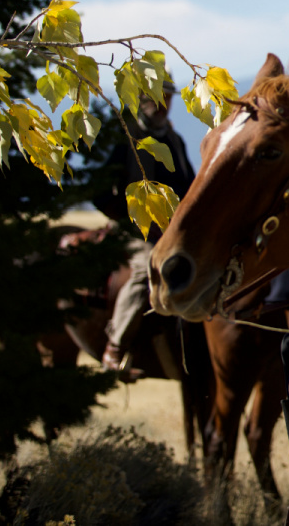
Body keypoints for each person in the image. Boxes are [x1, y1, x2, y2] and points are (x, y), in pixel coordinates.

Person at [95, 78, 196, 379]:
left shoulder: (175, 141)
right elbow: (99, 193)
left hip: (173, 231)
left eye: (167, 98)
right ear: (141, 99)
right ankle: (114, 349)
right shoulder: (124, 138)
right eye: (157, 98)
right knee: (146, 271)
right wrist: (137, 224)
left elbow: (189, 188)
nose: (164, 105)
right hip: (132, 232)